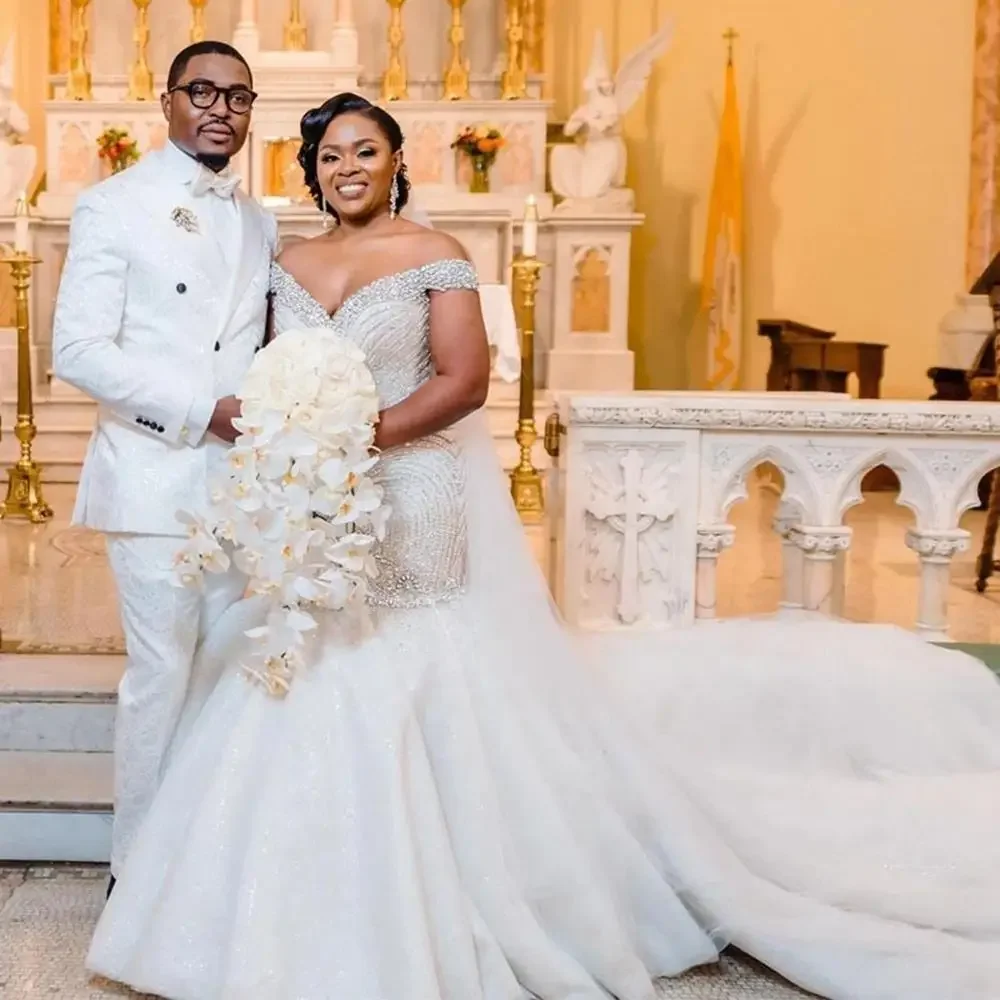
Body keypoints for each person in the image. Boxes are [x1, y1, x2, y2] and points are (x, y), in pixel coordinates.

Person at [87, 93, 1000, 1000]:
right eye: (330, 156)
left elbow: (465, 380)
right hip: (320, 497)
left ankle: (457, 894)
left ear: (397, 161)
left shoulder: (436, 254)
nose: (347, 168)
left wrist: (361, 435)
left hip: (412, 490)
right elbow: (269, 371)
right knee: (308, 655)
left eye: (365, 151)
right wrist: (297, 445)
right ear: (311, 171)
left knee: (414, 661)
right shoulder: (289, 260)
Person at [52, 40, 278, 895]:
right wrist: (196, 410)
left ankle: (201, 868)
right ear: (168, 101)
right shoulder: (113, 205)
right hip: (155, 479)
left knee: (221, 675)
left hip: (240, 487)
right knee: (160, 677)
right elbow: (78, 349)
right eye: (203, 92)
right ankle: (137, 874)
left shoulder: (259, 220)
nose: (221, 109)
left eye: (238, 97)